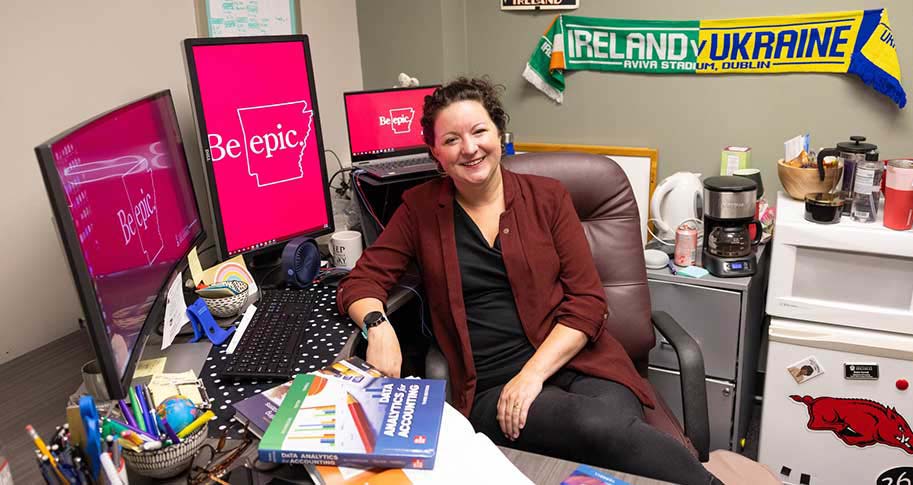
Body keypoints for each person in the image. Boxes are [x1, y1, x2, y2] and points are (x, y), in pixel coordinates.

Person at [337, 78, 721, 485]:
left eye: (479, 131)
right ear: (435, 152)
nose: (469, 148)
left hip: (583, 362)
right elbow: (360, 283)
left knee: (604, 429)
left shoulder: (548, 198)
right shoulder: (420, 210)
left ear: (499, 134)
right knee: (599, 430)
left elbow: (588, 303)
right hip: (493, 386)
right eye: (451, 139)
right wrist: (378, 328)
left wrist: (533, 375)